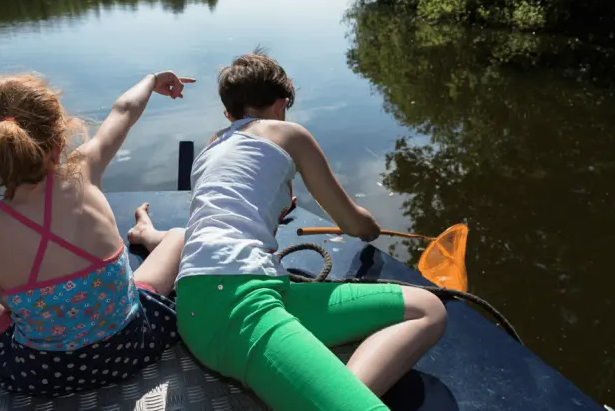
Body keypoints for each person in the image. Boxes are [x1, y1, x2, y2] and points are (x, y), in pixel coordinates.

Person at [175, 52, 447, 411]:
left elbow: (215, 220)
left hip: (220, 298)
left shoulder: (212, 147)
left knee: (426, 309)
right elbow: (353, 223)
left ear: (230, 115)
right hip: (236, 306)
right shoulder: (289, 134)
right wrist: (370, 227)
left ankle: (328, 395)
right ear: (282, 104)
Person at [0, 71, 194, 396]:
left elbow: (8, 303)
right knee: (178, 236)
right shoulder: (84, 171)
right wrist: (152, 80)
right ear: (59, 141)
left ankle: (140, 234)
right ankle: (145, 232)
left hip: (42, 373)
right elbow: (124, 110)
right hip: (129, 349)